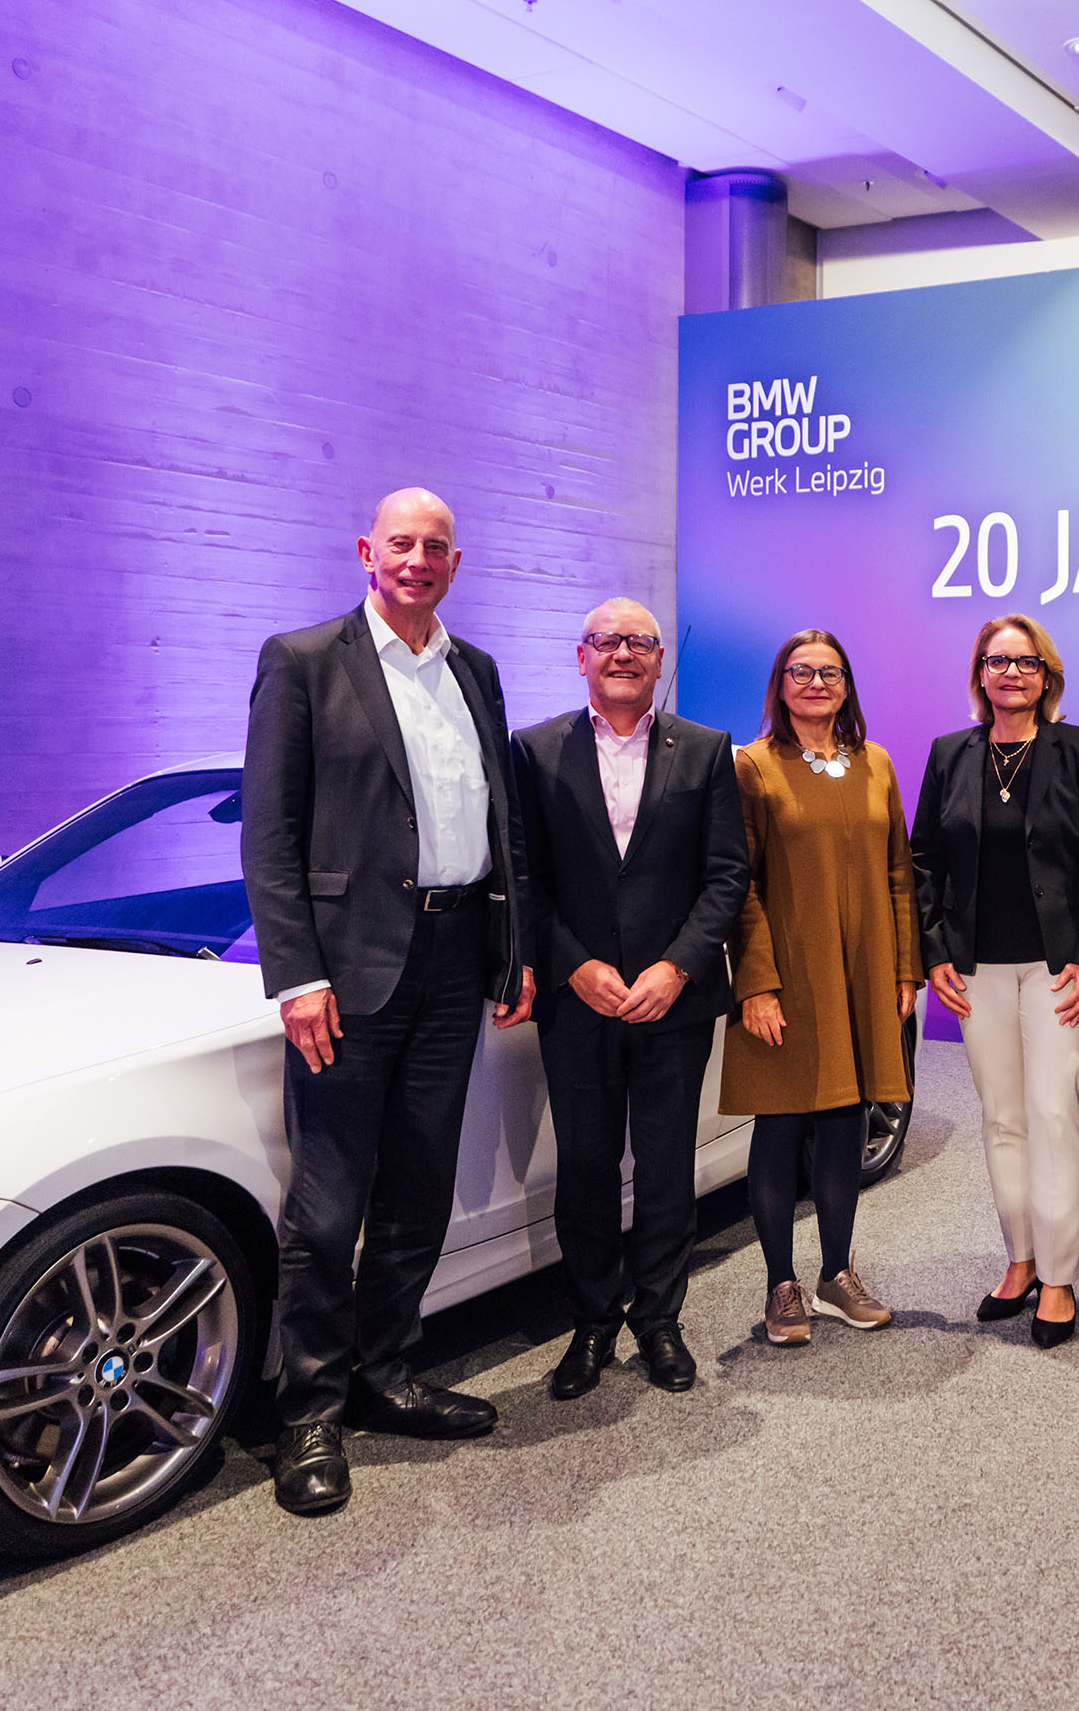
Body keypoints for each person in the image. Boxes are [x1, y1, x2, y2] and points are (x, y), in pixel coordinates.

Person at [242, 487, 535, 1517]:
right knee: (327, 1206)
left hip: (456, 961)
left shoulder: (477, 672)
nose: (417, 560)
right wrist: (297, 974)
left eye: (436, 547)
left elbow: (501, 827)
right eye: (400, 544)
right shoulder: (305, 661)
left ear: (458, 563)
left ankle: (386, 1373)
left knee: (420, 1185)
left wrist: (513, 950)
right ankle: (310, 1411)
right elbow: (270, 836)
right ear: (368, 551)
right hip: (349, 972)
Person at [512, 600, 749, 1402]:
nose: (623, 653)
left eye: (639, 643)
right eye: (607, 641)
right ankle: (590, 1323)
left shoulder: (708, 751)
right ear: (581, 656)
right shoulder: (535, 752)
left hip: (671, 1002)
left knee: (665, 1167)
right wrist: (573, 966)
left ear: (658, 661)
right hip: (579, 1004)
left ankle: (659, 1320)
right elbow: (523, 883)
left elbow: (727, 874)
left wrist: (679, 967)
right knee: (582, 1168)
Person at [912, 616, 1079, 1349]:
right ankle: (1020, 1257)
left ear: (1047, 675)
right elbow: (925, 861)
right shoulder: (951, 754)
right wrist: (933, 948)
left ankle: (1060, 1276)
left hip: (1059, 966)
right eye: (996, 661)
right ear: (979, 674)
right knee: (1002, 1114)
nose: (1010, 673)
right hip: (975, 967)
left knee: (1052, 1107)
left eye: (1025, 662)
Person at [723, 629, 922, 1346]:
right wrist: (757, 985)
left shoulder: (876, 764)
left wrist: (905, 970)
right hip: (788, 974)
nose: (815, 683)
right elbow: (737, 886)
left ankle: (836, 1274)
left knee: (846, 1120)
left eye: (830, 672)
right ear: (780, 684)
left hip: (864, 970)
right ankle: (783, 1286)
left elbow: (900, 873)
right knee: (780, 1124)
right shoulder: (751, 767)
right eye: (800, 672)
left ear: (847, 685)